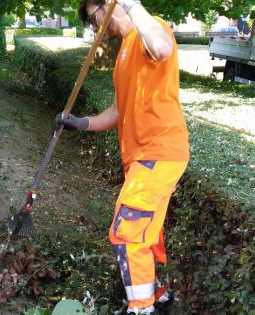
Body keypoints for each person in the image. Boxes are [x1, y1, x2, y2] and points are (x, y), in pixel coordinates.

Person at [54, 0, 189, 314]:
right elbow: (118, 110)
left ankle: (141, 308)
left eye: (93, 18)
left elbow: (161, 49)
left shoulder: (150, 29)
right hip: (143, 158)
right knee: (146, 233)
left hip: (159, 151)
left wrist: (132, 4)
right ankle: (161, 297)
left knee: (126, 231)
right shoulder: (124, 53)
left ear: (108, 5)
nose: (94, 28)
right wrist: (81, 123)